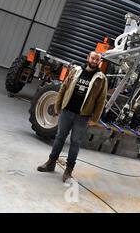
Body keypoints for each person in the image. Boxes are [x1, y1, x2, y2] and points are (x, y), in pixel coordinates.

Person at [37, 51, 108, 182]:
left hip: (83, 116)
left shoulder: (101, 78)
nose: (94, 61)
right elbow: (64, 87)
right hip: (67, 111)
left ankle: (68, 171)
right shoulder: (76, 70)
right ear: (88, 58)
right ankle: (50, 163)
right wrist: (58, 105)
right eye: (93, 58)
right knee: (59, 138)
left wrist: (95, 118)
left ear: (100, 62)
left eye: (97, 60)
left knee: (75, 143)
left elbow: (101, 100)